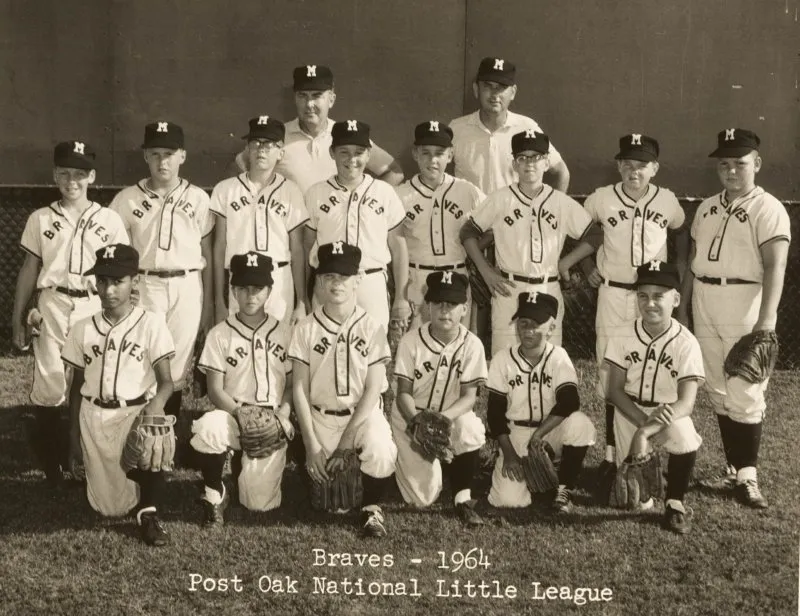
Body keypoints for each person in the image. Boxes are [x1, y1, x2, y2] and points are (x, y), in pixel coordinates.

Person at [680, 129, 790, 509]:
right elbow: (693, 266)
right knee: (716, 386)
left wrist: (766, 321)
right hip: (706, 299)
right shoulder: (707, 206)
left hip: (745, 299)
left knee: (745, 387)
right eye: (724, 163)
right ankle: (732, 469)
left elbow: (776, 266)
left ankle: (748, 476)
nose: (730, 170)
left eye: (739, 163)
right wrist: (684, 309)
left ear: (756, 164)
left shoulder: (768, 207)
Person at [12, 141, 129, 484]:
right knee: (50, 385)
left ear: (91, 176)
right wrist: (17, 318)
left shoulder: (108, 218)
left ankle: (86, 455)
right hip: (53, 301)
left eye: (79, 174)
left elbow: (122, 272)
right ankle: (54, 465)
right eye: (64, 173)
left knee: (92, 381)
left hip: (94, 303)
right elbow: (29, 270)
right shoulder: (41, 217)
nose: (71, 181)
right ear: (54, 175)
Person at [582, 133, 687, 493]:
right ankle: (611, 457)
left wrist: (678, 274)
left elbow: (681, 231)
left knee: (648, 374)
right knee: (611, 374)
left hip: (652, 298)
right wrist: (585, 268)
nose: (634, 170)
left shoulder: (668, 201)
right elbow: (577, 230)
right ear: (618, 166)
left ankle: (645, 449)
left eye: (641, 164)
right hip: (613, 293)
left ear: (654, 168)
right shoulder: (601, 198)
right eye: (627, 163)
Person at [62, 244, 175, 546]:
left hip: (133, 415)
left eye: (118, 281)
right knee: (109, 508)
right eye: (102, 281)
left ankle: (149, 512)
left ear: (134, 281)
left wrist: (156, 406)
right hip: (93, 417)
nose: (108, 289)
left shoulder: (151, 323)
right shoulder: (82, 328)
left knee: (155, 434)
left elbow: (167, 382)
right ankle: (126, 481)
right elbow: (75, 388)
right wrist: (74, 439)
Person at [289, 242, 397, 537]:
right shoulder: (306, 328)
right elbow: (298, 388)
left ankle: (372, 508)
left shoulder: (372, 326)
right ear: (319, 281)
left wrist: (347, 441)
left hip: (360, 415)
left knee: (382, 450)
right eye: (329, 277)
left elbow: (375, 387)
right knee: (330, 504)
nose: (336, 283)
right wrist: (311, 445)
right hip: (320, 416)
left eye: (344, 277)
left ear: (358, 279)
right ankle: (302, 458)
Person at [460, 130, 600, 355]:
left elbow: (594, 235)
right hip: (509, 288)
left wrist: (565, 263)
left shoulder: (562, 202)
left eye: (535, 157)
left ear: (546, 162)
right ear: (514, 164)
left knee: (548, 361)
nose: (529, 164)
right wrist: (486, 271)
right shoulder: (500, 199)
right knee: (505, 359)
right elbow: (468, 232)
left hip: (548, 286)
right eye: (522, 158)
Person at [109, 121, 214, 419]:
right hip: (146, 284)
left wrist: (207, 304)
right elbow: (119, 253)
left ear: (182, 155)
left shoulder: (198, 198)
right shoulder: (127, 198)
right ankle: (138, 435)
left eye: (169, 153)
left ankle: (165, 438)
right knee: (143, 356)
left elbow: (206, 253)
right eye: (155, 153)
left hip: (187, 284)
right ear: (145, 156)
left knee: (178, 363)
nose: (162, 161)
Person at [189, 252, 294, 525]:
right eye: (243, 288)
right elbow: (214, 390)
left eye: (258, 288)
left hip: (272, 420)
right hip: (233, 413)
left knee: (259, 506)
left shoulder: (285, 332)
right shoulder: (220, 333)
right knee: (207, 428)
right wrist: (240, 414)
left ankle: (241, 469)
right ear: (233, 291)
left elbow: (294, 382)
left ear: (269, 290)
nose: (251, 295)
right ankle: (215, 491)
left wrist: (283, 414)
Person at [605, 260, 704, 533]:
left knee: (684, 438)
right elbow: (612, 390)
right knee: (637, 501)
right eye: (643, 296)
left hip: (667, 412)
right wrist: (640, 425)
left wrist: (646, 431)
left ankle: (675, 503)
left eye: (659, 296)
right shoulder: (623, 333)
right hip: (629, 410)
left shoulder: (686, 342)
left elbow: (686, 402)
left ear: (676, 299)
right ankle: (651, 476)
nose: (650, 304)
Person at [391, 271, 488, 525]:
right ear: (428, 307)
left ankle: (462, 497)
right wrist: (418, 423)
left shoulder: (473, 344)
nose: (445, 310)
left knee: (470, 429)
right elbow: (402, 393)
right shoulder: (411, 341)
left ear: (464, 309)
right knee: (423, 499)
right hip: (410, 417)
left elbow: (469, 397)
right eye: (438, 303)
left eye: (452, 304)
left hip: (450, 414)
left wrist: (442, 420)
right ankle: (406, 460)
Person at [486, 291, 595, 512]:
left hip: (549, 432)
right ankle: (539, 474)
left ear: (551, 328)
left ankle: (564, 487)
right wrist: (509, 454)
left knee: (580, 424)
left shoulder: (558, 356)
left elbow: (569, 402)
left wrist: (539, 435)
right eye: (523, 322)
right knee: (508, 501)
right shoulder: (502, 359)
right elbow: (495, 415)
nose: (528, 329)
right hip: (516, 434)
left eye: (536, 324)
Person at [304, 120, 410, 332]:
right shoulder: (316, 192)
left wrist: (401, 297)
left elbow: (399, 248)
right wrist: (303, 298)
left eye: (359, 152)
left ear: (369, 155)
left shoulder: (384, 192)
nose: (352, 159)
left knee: (372, 354)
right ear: (332, 153)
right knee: (326, 351)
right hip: (328, 282)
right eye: (344, 152)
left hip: (370, 281)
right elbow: (307, 247)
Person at [233, 65, 404, 192]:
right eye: (302, 96)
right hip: (291, 233)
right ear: (295, 99)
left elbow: (394, 172)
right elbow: (238, 167)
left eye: (317, 96)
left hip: (335, 232)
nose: (309, 104)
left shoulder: (348, 135)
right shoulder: (277, 135)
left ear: (331, 99)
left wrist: (363, 201)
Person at [212, 116, 309, 327]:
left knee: (278, 349)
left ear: (280, 152)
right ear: (247, 149)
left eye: (268, 145)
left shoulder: (291, 191)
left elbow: (298, 250)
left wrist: (301, 301)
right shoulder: (225, 189)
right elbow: (219, 247)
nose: (261, 150)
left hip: (279, 279)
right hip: (239, 280)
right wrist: (219, 300)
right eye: (255, 144)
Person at [396, 120, 485, 331]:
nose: (433, 160)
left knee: (457, 347)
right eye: (425, 153)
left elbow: (494, 225)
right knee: (419, 349)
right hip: (417, 279)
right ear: (415, 154)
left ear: (450, 155)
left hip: (456, 274)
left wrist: (474, 250)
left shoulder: (467, 191)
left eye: (439, 153)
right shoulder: (400, 195)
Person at [450, 56, 569, 197]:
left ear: (512, 92)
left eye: (501, 87)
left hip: (514, 217)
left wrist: (554, 208)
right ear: (476, 89)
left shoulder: (527, 128)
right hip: (471, 216)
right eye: (488, 86)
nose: (494, 94)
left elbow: (561, 171)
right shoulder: (456, 129)